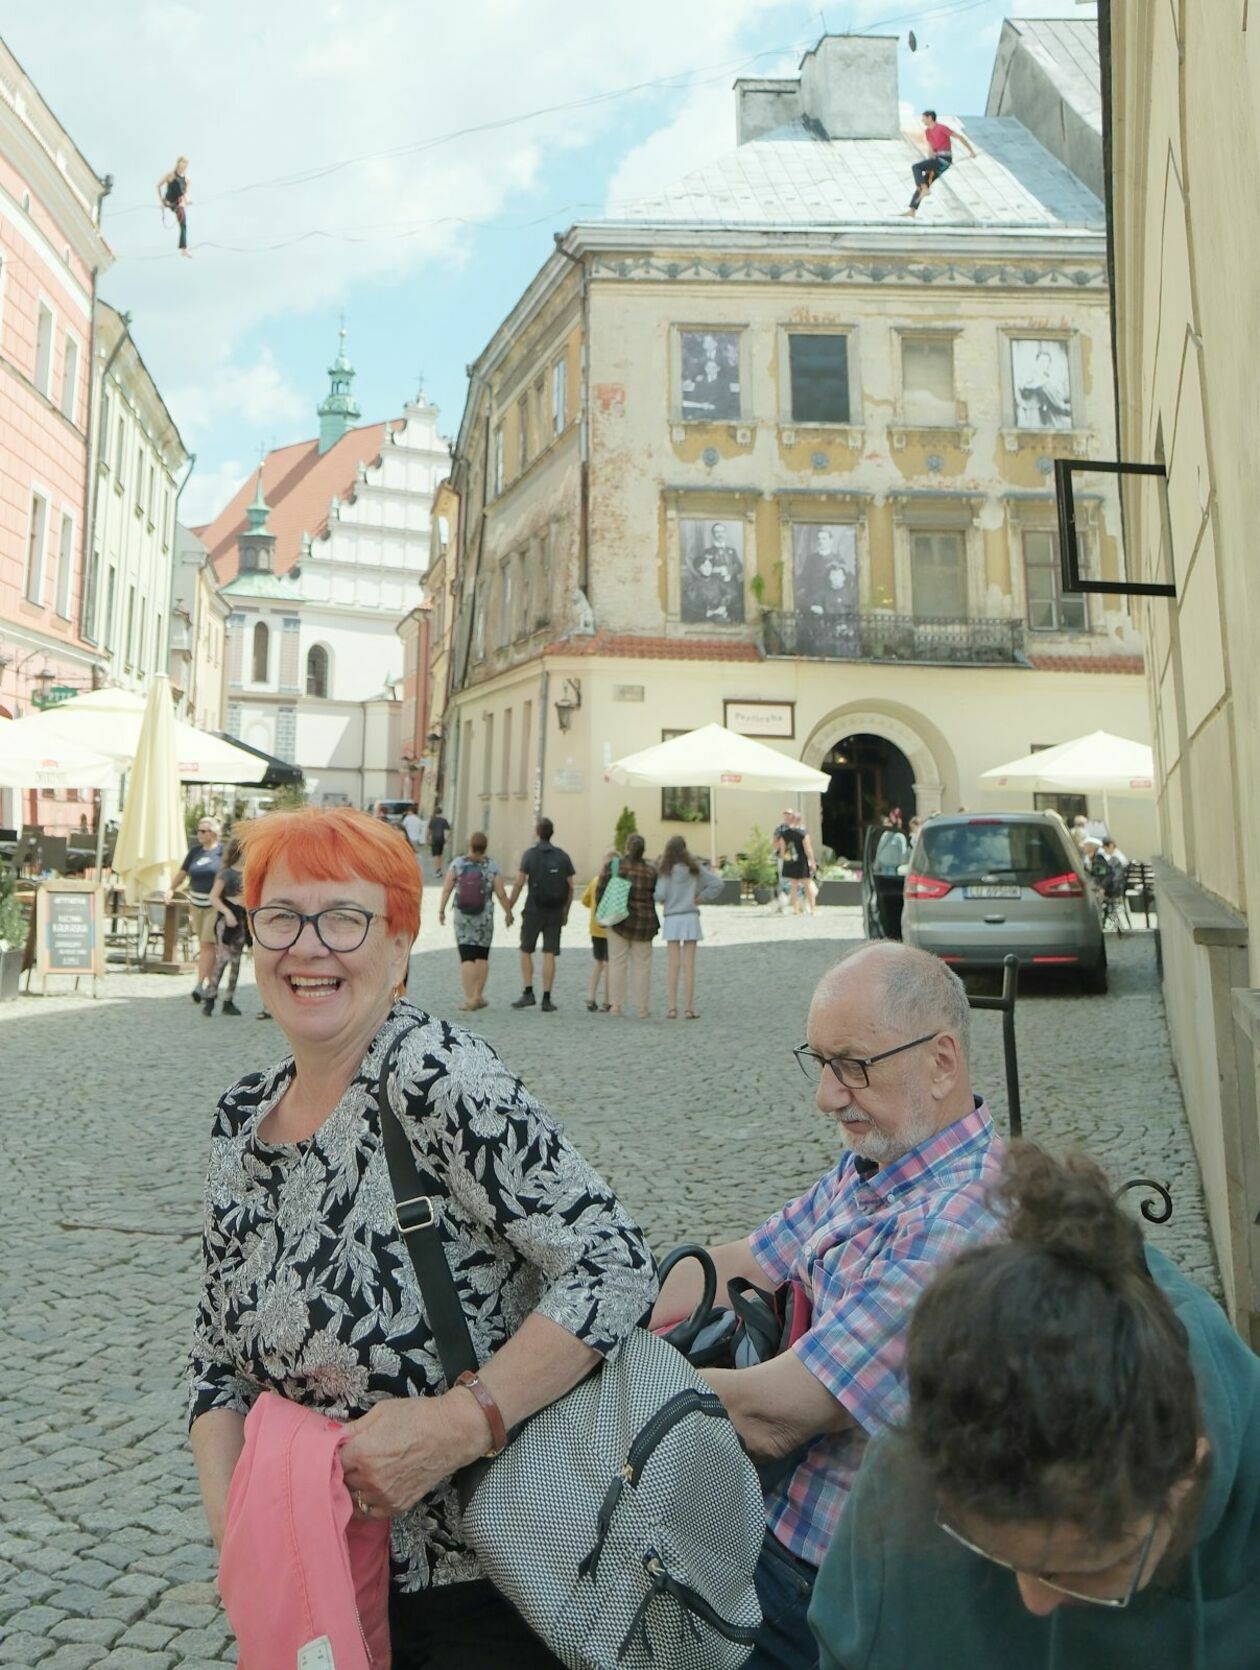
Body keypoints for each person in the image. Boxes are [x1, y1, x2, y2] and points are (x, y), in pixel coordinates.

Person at [187, 806, 656, 1669]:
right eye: (282, 916)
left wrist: (459, 1424)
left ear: (400, 947)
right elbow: (216, 1364)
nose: (308, 946)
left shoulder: (435, 1076)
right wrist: (243, 1537)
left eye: (345, 919)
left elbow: (613, 1262)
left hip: (480, 1580)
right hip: (315, 1580)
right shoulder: (241, 1117)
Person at [651, 942, 1005, 1670]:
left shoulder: (956, 1223)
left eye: (853, 1065)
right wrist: (595, 1309)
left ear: (941, 1062)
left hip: (835, 1589)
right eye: (820, 1063)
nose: (826, 1095)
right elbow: (751, 1262)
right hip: (772, 1528)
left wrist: (606, 1381)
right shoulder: (884, 1163)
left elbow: (778, 1414)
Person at [810, 1143, 1260, 1670]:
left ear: (1185, 1476)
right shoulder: (906, 1472)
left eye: (1087, 1573)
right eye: (992, 1552)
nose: (1033, 1600)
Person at [437, 831, 513, 1011]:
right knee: (482, 955)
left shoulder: (458, 864)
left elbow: (447, 888)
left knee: (466, 957)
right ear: (485, 847)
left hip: (462, 917)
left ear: (470, 845)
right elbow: (501, 893)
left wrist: (441, 910)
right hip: (484, 917)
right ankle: (478, 995)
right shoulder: (492, 866)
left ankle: (470, 997)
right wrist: (508, 912)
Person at [506, 817, 574, 1012]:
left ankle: (528, 992)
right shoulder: (562, 856)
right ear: (552, 833)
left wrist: (509, 907)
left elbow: (519, 883)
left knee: (526, 950)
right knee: (549, 953)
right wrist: (566, 912)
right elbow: (570, 887)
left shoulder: (530, 855)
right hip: (554, 912)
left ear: (538, 832)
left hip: (533, 910)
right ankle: (547, 997)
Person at [654, 834, 720, 1020]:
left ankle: (672, 1008)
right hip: (691, 917)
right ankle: (689, 1009)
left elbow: (659, 895)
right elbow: (717, 883)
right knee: (689, 966)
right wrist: (701, 897)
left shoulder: (665, 871)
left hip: (672, 919)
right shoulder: (695, 868)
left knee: (673, 966)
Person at [596, 833, 659, 1019]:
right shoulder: (651, 871)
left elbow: (600, 891)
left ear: (626, 849)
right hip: (644, 922)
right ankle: (642, 1008)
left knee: (617, 962)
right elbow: (653, 893)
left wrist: (601, 916)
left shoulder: (614, 866)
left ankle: (616, 1005)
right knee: (642, 965)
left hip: (618, 919)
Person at [168, 815, 224, 1003]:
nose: (199, 834)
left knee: (207, 944)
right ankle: (211, 985)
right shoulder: (195, 852)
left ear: (213, 833)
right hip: (196, 904)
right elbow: (182, 873)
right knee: (205, 944)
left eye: (203, 830)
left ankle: (200, 985)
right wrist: (170, 889)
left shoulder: (222, 853)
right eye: (198, 830)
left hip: (214, 905)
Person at [202, 838, 248, 1017]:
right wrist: (227, 912)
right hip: (227, 921)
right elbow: (213, 896)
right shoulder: (227, 873)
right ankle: (211, 996)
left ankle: (229, 1000)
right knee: (222, 959)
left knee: (236, 962)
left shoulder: (249, 874)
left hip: (242, 920)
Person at [905, 110, 976, 216]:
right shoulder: (927, 132)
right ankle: (912, 210)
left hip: (944, 159)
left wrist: (971, 151)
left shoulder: (942, 128)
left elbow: (959, 137)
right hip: (936, 160)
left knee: (916, 167)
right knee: (924, 181)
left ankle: (925, 189)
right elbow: (931, 149)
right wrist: (929, 162)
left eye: (923, 118)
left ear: (930, 118)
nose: (922, 120)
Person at [579, 852, 615, 1013]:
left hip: (595, 927)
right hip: (610, 929)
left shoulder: (595, 881)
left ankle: (591, 996)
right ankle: (607, 1000)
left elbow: (584, 900)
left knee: (598, 963)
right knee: (609, 964)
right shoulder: (616, 883)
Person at [775, 811, 815, 916]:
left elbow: (782, 850)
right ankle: (813, 909)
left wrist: (786, 859)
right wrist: (812, 861)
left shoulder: (784, 834)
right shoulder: (803, 833)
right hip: (802, 861)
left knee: (793, 886)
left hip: (790, 861)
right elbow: (808, 849)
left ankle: (795, 910)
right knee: (807, 885)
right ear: (799, 820)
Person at [157, 155, 191, 256]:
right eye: (182, 164)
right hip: (168, 200)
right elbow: (158, 186)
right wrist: (161, 201)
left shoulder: (187, 179)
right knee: (176, 181)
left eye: (185, 165)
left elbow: (186, 192)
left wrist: (184, 202)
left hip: (178, 203)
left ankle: (184, 249)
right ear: (178, 164)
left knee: (183, 224)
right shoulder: (170, 175)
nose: (183, 167)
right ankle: (181, 200)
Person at [426, 805, 450, 878]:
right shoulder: (444, 820)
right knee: (440, 854)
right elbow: (448, 830)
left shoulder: (432, 820)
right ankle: (440, 870)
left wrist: (428, 838)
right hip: (441, 838)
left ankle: (437, 870)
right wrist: (447, 838)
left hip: (434, 838)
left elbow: (429, 831)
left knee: (436, 855)